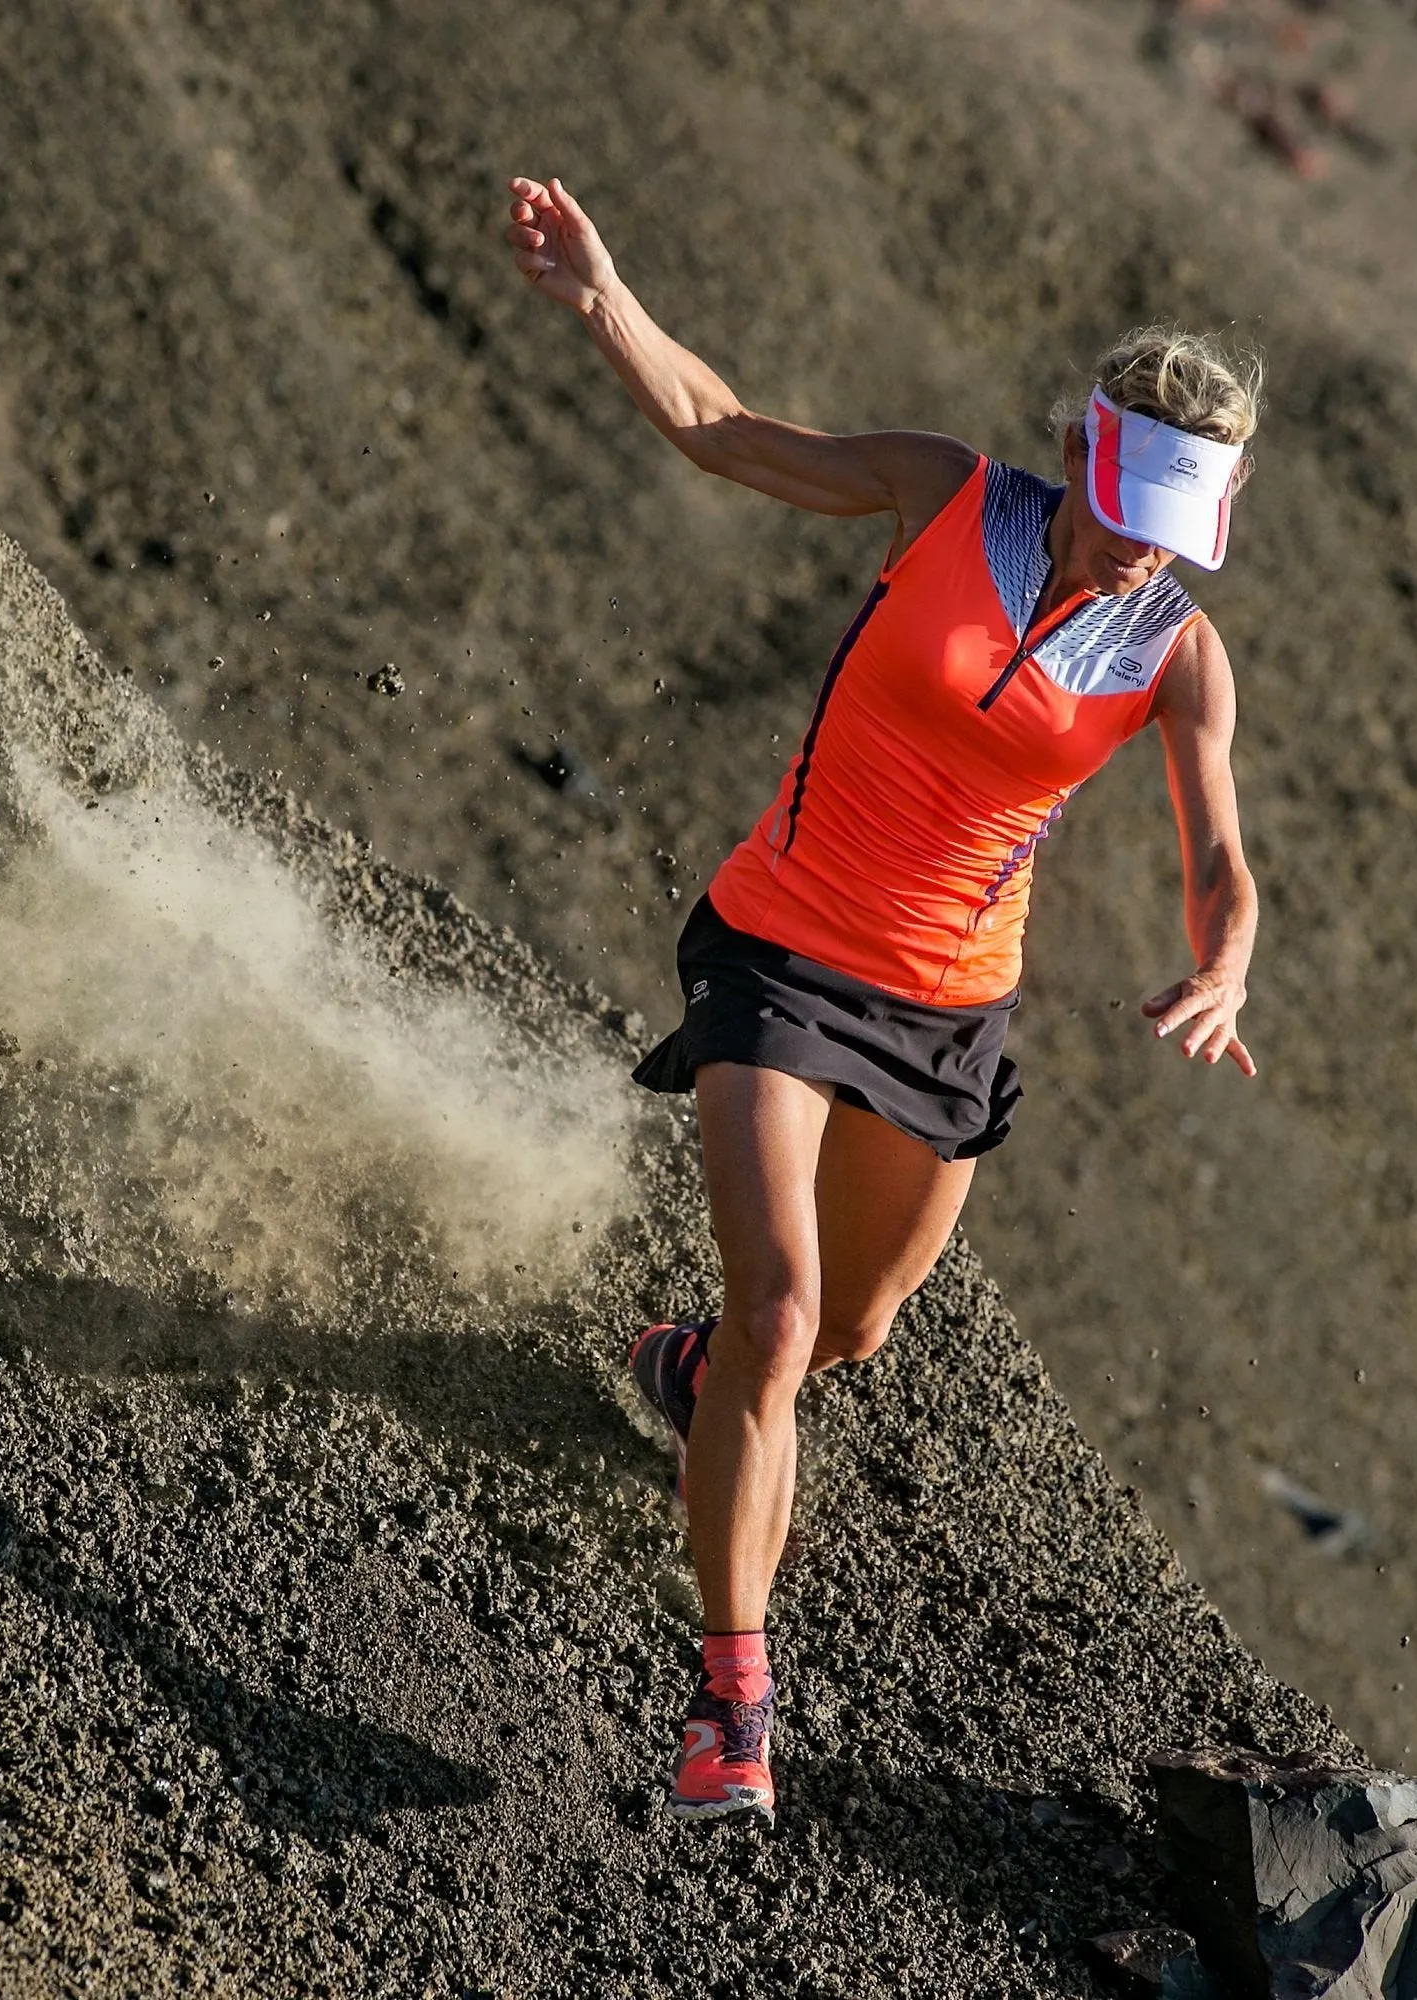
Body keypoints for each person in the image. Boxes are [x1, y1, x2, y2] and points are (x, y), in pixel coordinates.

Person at [505, 174, 1261, 1826]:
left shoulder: (1176, 656)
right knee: (784, 1313)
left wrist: (1226, 965)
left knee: (844, 1331)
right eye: (1125, 501)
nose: (1137, 546)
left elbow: (1223, 859)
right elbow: (720, 427)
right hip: (781, 945)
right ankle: (730, 1717)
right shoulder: (944, 497)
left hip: (947, 1011)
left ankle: (693, 1383)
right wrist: (602, 295)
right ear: (1085, 453)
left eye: (1171, 526)